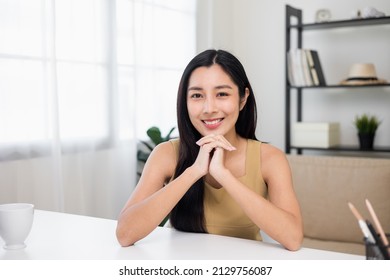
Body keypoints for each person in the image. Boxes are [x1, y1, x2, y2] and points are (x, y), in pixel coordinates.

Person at [116, 49, 303, 251]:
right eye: (197, 95)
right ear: (185, 101)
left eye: (222, 94)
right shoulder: (166, 154)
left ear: (243, 98)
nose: (209, 108)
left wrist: (224, 175)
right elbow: (125, 234)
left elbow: (292, 239)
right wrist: (194, 171)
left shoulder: (269, 158)